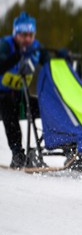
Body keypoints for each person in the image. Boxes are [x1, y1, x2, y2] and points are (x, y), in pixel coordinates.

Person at [0, 11, 49, 168]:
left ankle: (68, 146)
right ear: (15, 34)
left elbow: (51, 65)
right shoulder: (5, 45)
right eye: (23, 35)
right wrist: (18, 56)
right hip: (2, 99)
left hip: (22, 99)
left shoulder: (35, 48)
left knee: (47, 107)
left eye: (30, 35)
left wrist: (64, 61)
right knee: (8, 104)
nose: (27, 39)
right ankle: (17, 154)